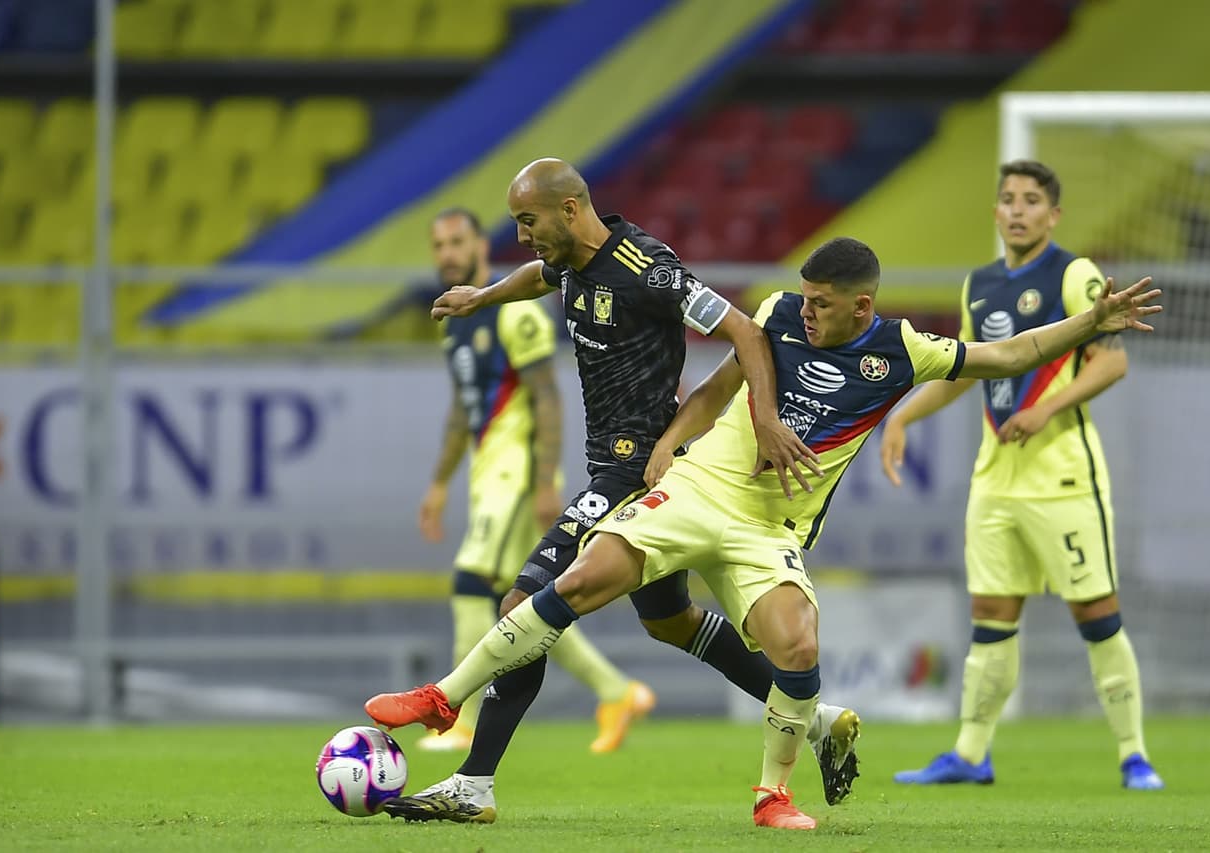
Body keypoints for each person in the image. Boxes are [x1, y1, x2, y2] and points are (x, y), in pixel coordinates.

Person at [372, 236, 1161, 830]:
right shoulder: (778, 317)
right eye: (804, 296)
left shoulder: (902, 350)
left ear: (861, 305)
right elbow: (714, 392)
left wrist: (1091, 319)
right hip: (698, 485)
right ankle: (441, 698)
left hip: (768, 526)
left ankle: (772, 793)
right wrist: (665, 446)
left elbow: (1014, 351)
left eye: (822, 301)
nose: (804, 308)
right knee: (575, 582)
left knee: (799, 644)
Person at [366, 159, 861, 823]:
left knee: (521, 601)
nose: (522, 236)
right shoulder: (570, 260)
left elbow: (743, 329)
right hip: (618, 466)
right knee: (670, 621)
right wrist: (482, 297)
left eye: (528, 220)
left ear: (569, 209)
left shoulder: (649, 270)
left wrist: (764, 419)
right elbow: (538, 275)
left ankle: (473, 780)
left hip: (641, 472)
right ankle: (818, 717)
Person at [883, 160, 1165, 791]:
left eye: (1031, 200)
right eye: (1008, 199)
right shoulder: (978, 284)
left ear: (1053, 214)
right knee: (990, 617)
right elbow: (965, 369)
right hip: (995, 480)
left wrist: (1044, 408)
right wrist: (901, 418)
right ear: (996, 212)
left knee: (1097, 615)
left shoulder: (1073, 274)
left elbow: (1110, 365)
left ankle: (1133, 754)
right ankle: (970, 753)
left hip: (1063, 477)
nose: (1017, 209)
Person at [417, 206, 655, 753]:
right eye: (439, 246)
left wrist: (546, 479)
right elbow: (462, 409)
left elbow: (546, 396)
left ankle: (460, 720)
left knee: (471, 583)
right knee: (521, 603)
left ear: (480, 246)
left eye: (457, 242)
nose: (448, 254)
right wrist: (438, 483)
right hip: (488, 474)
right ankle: (616, 690)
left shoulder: (513, 313)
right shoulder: (458, 320)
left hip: (518, 475)